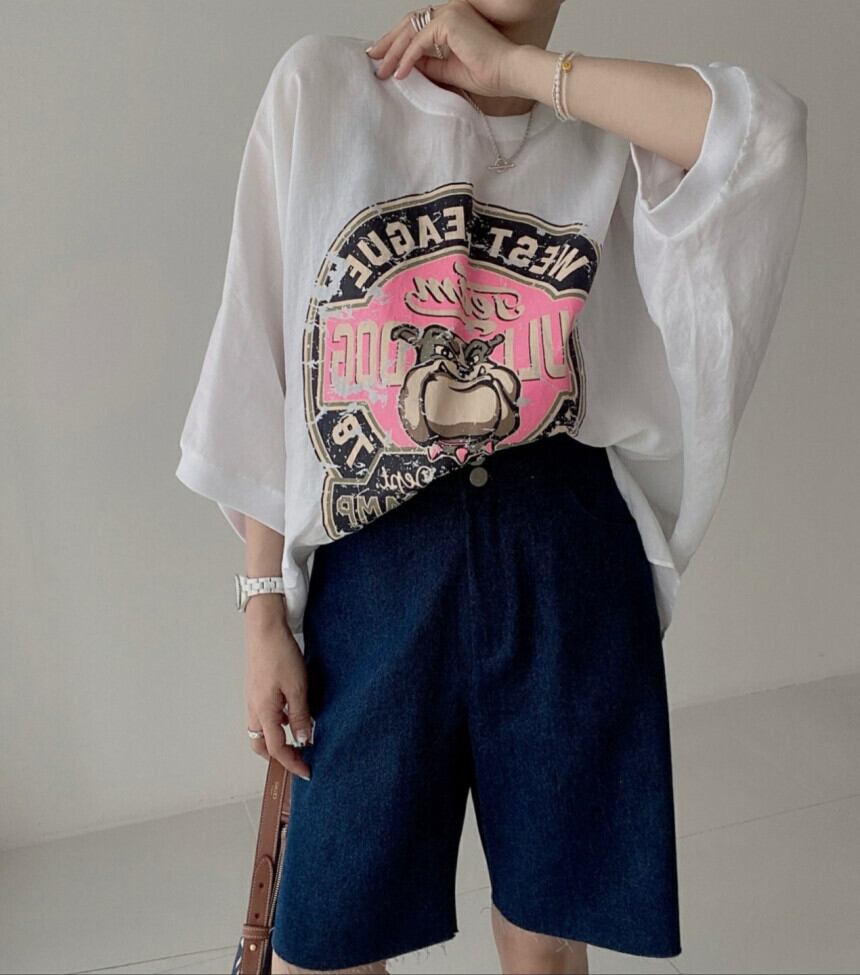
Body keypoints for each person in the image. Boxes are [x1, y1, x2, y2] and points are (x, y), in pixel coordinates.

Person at [175, 2, 808, 972]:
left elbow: (763, 132)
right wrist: (263, 609)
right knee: (331, 939)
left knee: (546, 941)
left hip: (563, 549)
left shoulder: (602, 121)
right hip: (377, 558)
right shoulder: (325, 88)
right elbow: (262, 359)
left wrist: (520, 72)